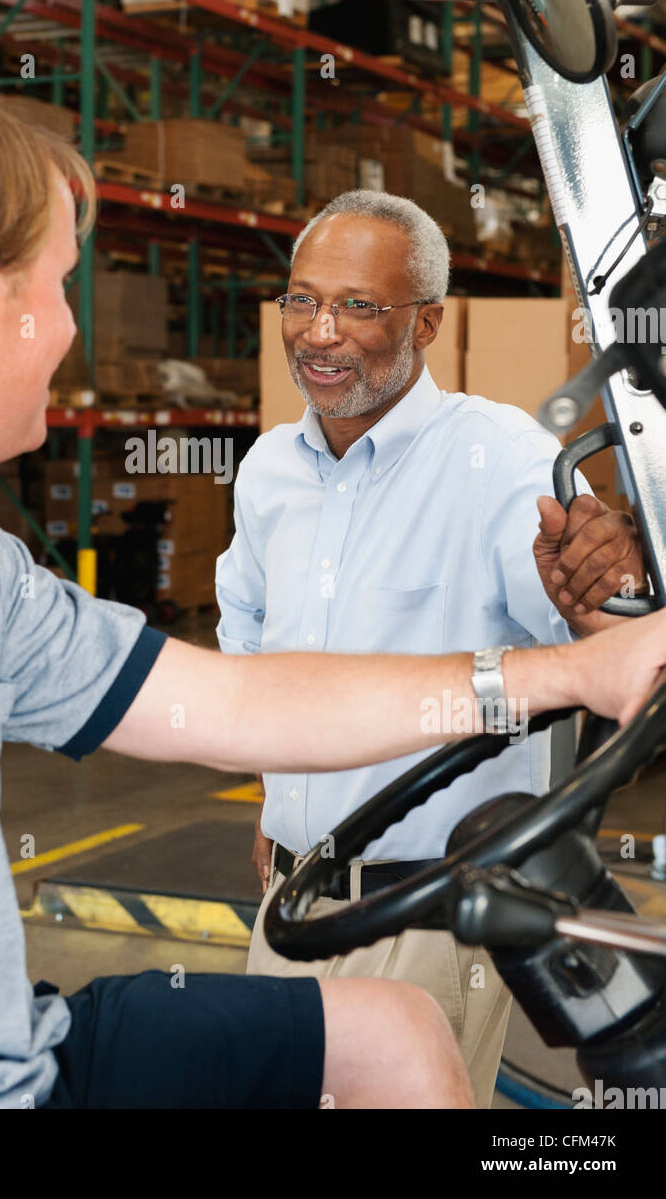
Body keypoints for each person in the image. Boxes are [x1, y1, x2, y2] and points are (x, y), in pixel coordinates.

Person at [0, 77, 660, 1112]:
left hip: (10, 1041)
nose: (70, 331)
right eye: (60, 285)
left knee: (396, 1031)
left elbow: (240, 700)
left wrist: (565, 666)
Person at [216, 189, 646, 1107]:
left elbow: (590, 633)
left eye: (359, 307)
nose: (320, 333)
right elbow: (250, 638)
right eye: (301, 300)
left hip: (428, 919)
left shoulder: (500, 460)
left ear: (428, 322)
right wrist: (277, 793)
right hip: (288, 902)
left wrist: (594, 588)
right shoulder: (267, 473)